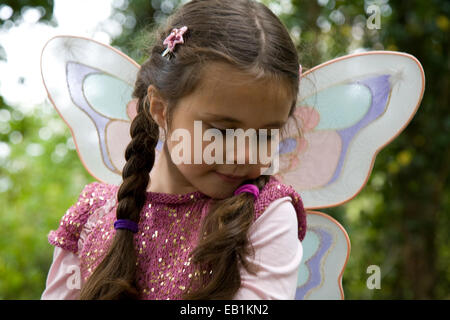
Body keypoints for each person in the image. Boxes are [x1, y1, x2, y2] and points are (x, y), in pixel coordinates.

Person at [41, 0, 307, 300]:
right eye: (221, 131)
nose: (245, 154)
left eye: (265, 135)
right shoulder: (94, 216)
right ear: (160, 108)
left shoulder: (266, 214)